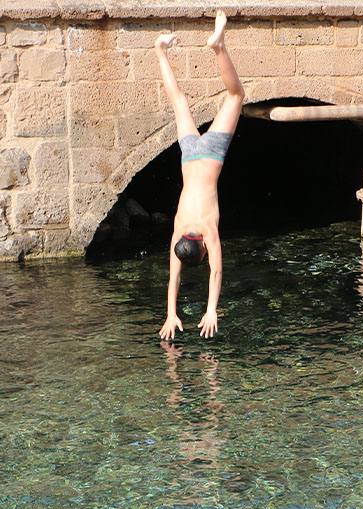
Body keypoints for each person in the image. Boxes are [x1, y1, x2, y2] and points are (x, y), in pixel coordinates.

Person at [155, 11, 243, 340]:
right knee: (178, 100)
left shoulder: (207, 231)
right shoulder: (179, 231)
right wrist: (170, 313)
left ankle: (219, 47)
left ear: (202, 246)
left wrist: (211, 309)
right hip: (190, 152)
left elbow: (217, 271)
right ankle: (160, 50)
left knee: (236, 96)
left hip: (212, 154)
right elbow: (173, 277)